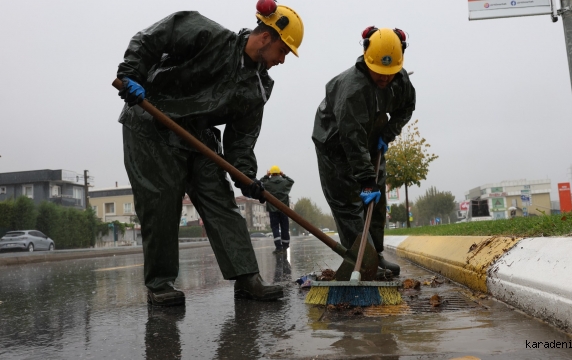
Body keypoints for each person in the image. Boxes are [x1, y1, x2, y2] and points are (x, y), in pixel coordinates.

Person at [116, 5, 304, 306]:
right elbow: (150, 38)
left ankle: (247, 279)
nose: (282, 60)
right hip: (152, 120)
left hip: (196, 135)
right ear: (266, 36)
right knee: (161, 201)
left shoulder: (258, 87)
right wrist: (130, 74)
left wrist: (246, 177)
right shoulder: (207, 34)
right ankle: (160, 283)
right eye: (282, 51)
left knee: (220, 199)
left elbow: (240, 141)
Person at [311, 27, 416, 276]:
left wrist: (387, 134)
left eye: (389, 73)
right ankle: (364, 262)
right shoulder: (352, 89)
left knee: (376, 200)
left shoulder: (399, 81)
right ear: (367, 59)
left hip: (371, 138)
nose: (384, 78)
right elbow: (351, 138)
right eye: (379, 72)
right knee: (349, 204)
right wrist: (365, 179)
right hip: (335, 144)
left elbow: (407, 108)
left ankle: (375, 255)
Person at [260, 165, 294, 253]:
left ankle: (278, 247)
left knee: (275, 228)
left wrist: (266, 176)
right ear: (279, 173)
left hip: (273, 210)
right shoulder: (284, 182)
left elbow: (259, 183)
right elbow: (291, 181)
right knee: (284, 227)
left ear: (271, 173)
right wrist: (284, 175)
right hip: (284, 209)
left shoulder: (268, 183)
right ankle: (285, 245)